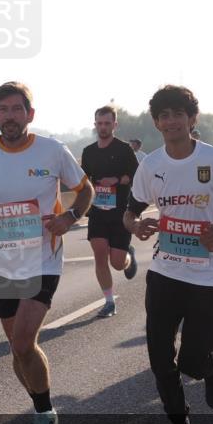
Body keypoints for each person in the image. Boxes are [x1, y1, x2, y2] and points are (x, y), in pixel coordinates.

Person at [0, 82, 93, 424]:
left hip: (43, 259)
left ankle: (45, 415)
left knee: (23, 342)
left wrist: (69, 217)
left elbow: (86, 191)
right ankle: (40, 408)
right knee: (18, 351)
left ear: (29, 114)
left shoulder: (52, 150)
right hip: (2, 262)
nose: (9, 116)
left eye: (16, 109)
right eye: (2, 110)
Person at [124, 85, 213, 424]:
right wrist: (134, 226)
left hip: (206, 276)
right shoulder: (151, 165)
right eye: (164, 116)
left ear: (191, 119)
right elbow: (130, 210)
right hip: (165, 273)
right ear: (156, 122)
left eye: (177, 114)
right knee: (160, 358)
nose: (170, 121)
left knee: (192, 363)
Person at [80, 105, 139, 317]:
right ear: (95, 124)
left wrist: (117, 179)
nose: (103, 127)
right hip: (97, 212)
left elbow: (136, 175)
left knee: (116, 262)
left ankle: (128, 258)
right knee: (99, 255)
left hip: (120, 211)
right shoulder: (88, 152)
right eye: (99, 123)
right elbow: (83, 181)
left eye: (107, 123)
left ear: (115, 125)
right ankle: (109, 302)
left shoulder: (124, 149)